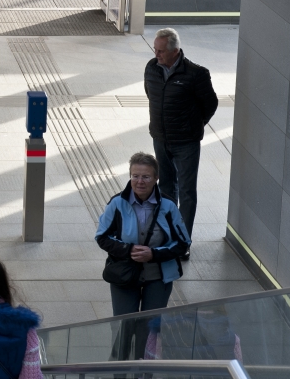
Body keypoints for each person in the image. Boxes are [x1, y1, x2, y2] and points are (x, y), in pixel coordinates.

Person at [95, 152, 190, 358]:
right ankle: (119, 369)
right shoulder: (117, 203)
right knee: (123, 325)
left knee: (150, 328)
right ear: (130, 176)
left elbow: (183, 243)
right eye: (135, 176)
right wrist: (128, 250)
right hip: (124, 274)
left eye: (146, 176)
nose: (140, 181)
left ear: (156, 178)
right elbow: (102, 237)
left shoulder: (168, 206)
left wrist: (153, 254)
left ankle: (143, 370)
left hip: (158, 276)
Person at [144, 27, 217, 251]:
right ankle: (167, 235)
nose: (156, 55)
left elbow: (210, 105)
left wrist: (193, 126)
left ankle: (182, 242)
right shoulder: (151, 68)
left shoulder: (196, 74)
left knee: (186, 192)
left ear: (175, 51)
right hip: (160, 138)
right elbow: (151, 95)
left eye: (161, 51)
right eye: (155, 50)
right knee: (166, 188)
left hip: (186, 143)